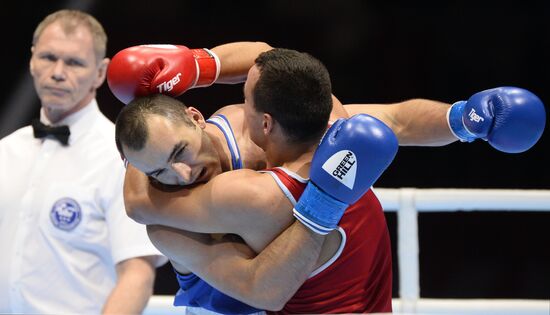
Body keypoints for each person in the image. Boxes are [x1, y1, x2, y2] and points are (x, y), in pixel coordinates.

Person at [111, 45, 545, 313]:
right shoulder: (179, 212)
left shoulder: (304, 129)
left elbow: (396, 120)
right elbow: (139, 205)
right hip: (231, 304)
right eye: (157, 170)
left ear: (197, 116)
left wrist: (466, 119)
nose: (180, 175)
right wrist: (322, 200)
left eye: (179, 153)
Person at [0, 10, 166, 314]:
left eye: (74, 62)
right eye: (49, 57)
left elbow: (137, 275)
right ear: (32, 59)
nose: (58, 72)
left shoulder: (122, 160)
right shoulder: (5, 152)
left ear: (100, 72)